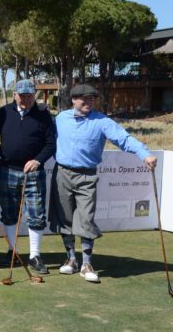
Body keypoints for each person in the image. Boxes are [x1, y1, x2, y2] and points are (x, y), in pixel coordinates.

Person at [50, 84, 157, 283]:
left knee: (86, 218)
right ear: (73, 99)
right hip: (62, 173)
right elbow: (46, 140)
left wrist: (145, 154)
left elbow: (123, 138)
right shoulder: (60, 119)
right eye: (85, 98)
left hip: (87, 176)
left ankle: (86, 264)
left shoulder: (102, 121)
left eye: (92, 99)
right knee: (64, 218)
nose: (89, 101)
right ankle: (71, 259)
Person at [0, 79, 55, 274]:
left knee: (36, 214)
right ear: (14, 95)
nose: (26, 99)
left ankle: (35, 255)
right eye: (22, 95)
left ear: (34, 95)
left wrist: (37, 160)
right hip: (7, 170)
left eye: (30, 95)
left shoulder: (44, 115)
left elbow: (51, 144)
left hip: (34, 171)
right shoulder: (3, 112)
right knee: (9, 213)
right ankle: (12, 251)